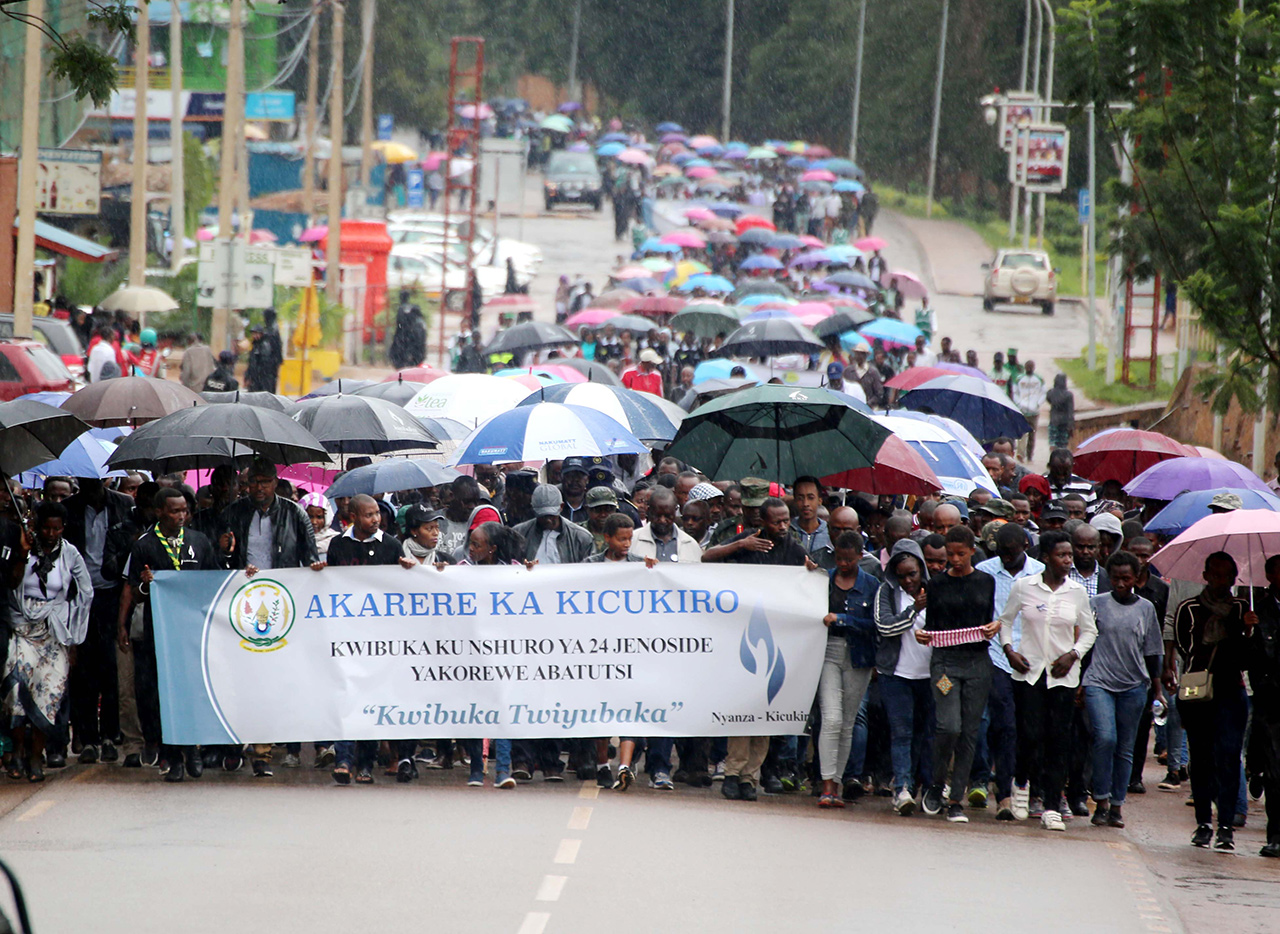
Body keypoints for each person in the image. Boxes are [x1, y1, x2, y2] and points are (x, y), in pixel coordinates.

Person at [996, 529, 1095, 833]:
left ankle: (1052, 804)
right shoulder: (1024, 587)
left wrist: (1073, 654)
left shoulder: (1077, 592)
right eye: (1062, 555)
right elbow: (1005, 621)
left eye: (1070, 555)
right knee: (1029, 735)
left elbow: (1090, 631)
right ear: (1046, 557)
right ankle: (1023, 785)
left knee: (1058, 741)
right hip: (1029, 674)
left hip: (1062, 678)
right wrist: (1009, 649)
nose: (1068, 560)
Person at [716, 497, 814, 802]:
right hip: (743, 634)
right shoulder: (747, 542)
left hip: (778, 638)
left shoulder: (794, 548)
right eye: (777, 521)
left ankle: (750, 778)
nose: (783, 526)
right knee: (744, 708)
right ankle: (732, 773)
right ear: (763, 521)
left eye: (786, 520)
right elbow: (707, 558)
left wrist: (812, 570)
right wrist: (739, 547)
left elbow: (811, 579)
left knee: (765, 712)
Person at [120, 488, 221, 782]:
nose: (181, 516)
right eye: (175, 511)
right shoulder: (144, 545)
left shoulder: (199, 541)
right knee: (162, 695)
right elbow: (137, 595)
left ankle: (193, 749)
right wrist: (146, 584)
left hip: (192, 632)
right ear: (159, 512)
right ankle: (172, 756)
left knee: (190, 692)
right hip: (159, 634)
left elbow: (213, 581)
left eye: (184, 511)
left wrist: (227, 555)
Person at [1165, 551, 1256, 852]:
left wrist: (1248, 629)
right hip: (1199, 691)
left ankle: (1226, 825)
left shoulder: (1243, 607)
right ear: (1205, 576)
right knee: (1201, 757)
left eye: (1227, 576)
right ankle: (1204, 821)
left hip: (1231, 690)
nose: (1221, 581)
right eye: (1215, 575)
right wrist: (1224, 626)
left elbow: (1245, 657)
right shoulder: (1188, 609)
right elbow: (1189, 647)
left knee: (1229, 757)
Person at [1, 502, 88, 782]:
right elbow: (12, 582)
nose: (51, 533)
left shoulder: (71, 553)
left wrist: (72, 632)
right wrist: (23, 553)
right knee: (16, 691)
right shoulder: (22, 546)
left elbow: (86, 593)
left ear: (63, 528)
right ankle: (18, 750)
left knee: (48, 694)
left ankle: (36, 756)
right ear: (37, 526)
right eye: (46, 528)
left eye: (56, 528)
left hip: (55, 632)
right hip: (23, 628)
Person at [917, 525, 998, 824]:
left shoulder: (986, 582)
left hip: (977, 664)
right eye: (950, 554)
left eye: (960, 554)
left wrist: (994, 627)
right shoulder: (936, 584)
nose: (954, 559)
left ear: (972, 551)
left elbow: (988, 618)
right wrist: (923, 636)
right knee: (948, 725)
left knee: (969, 732)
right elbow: (932, 625)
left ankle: (956, 799)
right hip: (945, 664)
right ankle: (936, 783)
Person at [323, 495, 403, 785]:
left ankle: (366, 764)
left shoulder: (391, 546)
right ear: (353, 516)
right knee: (346, 695)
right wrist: (321, 573)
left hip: (379, 638)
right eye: (368, 515)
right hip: (346, 635)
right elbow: (329, 584)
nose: (375, 519)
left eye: (377, 514)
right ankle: (344, 759)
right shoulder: (338, 545)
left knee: (372, 697)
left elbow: (403, 586)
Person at [1084, 551, 1165, 829]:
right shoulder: (1096, 604)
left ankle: (1117, 805)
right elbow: (1084, 643)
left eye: (1126, 578)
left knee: (1125, 746)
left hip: (1133, 685)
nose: (1120, 583)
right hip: (1099, 680)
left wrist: (1157, 689)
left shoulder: (1146, 609)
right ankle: (1101, 800)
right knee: (1105, 738)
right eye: (1115, 578)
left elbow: (1153, 651)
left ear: (1136, 578)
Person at [974, 521, 1045, 820]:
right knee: (1004, 725)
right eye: (1002, 553)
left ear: (1025, 547)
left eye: (1012, 553)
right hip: (997, 657)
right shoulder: (986, 572)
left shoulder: (1040, 573)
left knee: (1029, 729)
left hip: (1032, 660)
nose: (1006, 558)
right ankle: (1003, 793)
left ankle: (1026, 787)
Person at [816, 531, 879, 809]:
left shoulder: (872, 584)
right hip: (827, 652)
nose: (842, 564)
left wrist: (842, 619)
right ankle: (827, 783)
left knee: (847, 723)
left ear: (860, 556)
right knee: (830, 718)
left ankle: (838, 782)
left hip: (859, 656)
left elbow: (875, 625)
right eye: (839, 559)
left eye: (849, 560)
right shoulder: (821, 580)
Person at [875, 539, 934, 815]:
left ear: (921, 569)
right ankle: (902, 789)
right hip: (895, 675)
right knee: (901, 732)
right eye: (902, 576)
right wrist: (913, 610)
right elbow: (885, 626)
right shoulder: (886, 592)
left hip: (931, 677)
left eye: (913, 574)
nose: (908, 580)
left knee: (926, 734)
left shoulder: (937, 590)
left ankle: (924, 787)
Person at [1248, 555, 1280, 857]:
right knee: (1275, 771)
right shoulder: (1258, 606)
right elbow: (1250, 659)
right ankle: (1275, 834)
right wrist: (1249, 630)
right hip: (1271, 702)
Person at [512, 485, 596, 565]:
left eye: (551, 515)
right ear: (533, 508)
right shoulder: (519, 534)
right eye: (543, 516)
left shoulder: (581, 538)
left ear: (561, 507)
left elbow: (589, 572)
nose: (548, 520)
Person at [630, 487, 702, 564]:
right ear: (648, 511)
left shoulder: (690, 545)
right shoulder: (632, 541)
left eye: (667, 516)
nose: (662, 520)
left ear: (675, 512)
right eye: (657, 516)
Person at [1012, 361, 1046, 462]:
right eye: (1028, 367)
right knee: (1022, 433)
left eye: (1031, 367)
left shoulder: (1039, 379)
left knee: (1032, 434)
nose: (1029, 369)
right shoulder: (1019, 379)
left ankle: (1030, 454)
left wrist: (1038, 404)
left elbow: (1043, 393)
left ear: (1034, 367)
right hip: (1023, 411)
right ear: (1025, 367)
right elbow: (1015, 393)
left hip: (1034, 412)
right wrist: (1019, 404)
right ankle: (1021, 454)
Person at [299, 492, 338, 558]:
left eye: (319, 517)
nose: (314, 522)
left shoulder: (336, 540)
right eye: (310, 517)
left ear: (326, 517)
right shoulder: (293, 538)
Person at [1046, 374, 1075, 451]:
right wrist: (1071, 425)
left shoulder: (1050, 393)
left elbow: (1049, 400)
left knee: (1053, 441)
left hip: (1053, 420)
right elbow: (1070, 411)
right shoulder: (1068, 395)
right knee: (1063, 444)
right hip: (1064, 422)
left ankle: (1053, 455)